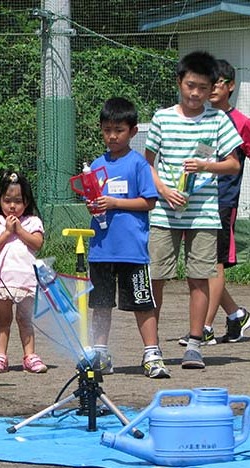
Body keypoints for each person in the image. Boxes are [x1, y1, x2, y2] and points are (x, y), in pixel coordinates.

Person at [145, 51, 242, 369]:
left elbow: (233, 164)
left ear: (213, 87)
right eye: (190, 85)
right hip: (164, 213)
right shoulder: (162, 118)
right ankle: (152, 348)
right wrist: (162, 190)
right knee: (155, 276)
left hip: (203, 214)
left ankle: (195, 343)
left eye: (202, 87)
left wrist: (205, 165)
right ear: (179, 82)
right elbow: (146, 164)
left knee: (199, 277)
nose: (196, 93)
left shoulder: (218, 120)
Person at [85, 97, 169, 379]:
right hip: (101, 249)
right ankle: (100, 353)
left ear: (133, 131)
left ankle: (152, 354)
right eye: (107, 129)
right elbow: (94, 199)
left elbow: (149, 202)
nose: (112, 136)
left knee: (143, 304)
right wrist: (95, 204)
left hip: (132, 250)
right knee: (100, 303)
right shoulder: (96, 164)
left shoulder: (138, 165)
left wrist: (115, 203)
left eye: (118, 130)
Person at [179, 59, 250, 346]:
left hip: (223, 202)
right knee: (201, 265)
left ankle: (204, 327)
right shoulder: (205, 121)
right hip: (198, 202)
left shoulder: (241, 123)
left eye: (216, 82)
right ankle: (235, 314)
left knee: (214, 264)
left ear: (229, 86)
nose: (210, 89)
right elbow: (202, 158)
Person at [0, 172, 46, 374]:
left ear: (26, 202)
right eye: (7, 200)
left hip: (26, 280)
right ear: (0, 200)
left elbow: (37, 244)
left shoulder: (32, 221)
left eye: (18, 201)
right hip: (3, 281)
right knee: (3, 320)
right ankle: (0, 355)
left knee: (25, 319)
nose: (12, 206)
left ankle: (30, 355)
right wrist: (7, 232)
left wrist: (19, 231)